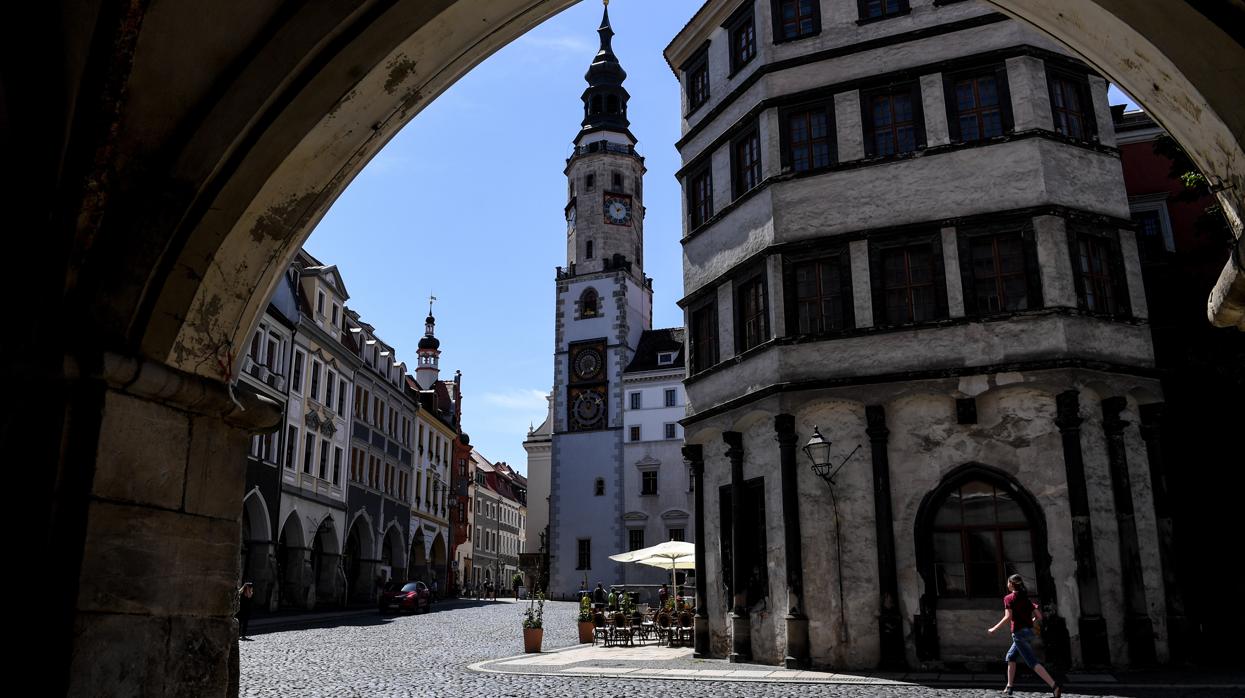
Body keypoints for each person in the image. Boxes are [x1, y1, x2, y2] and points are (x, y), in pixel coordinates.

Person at [988, 574, 1063, 697]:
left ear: (1011, 584)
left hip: (1018, 634)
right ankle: (1009, 686)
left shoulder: (1008, 598)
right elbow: (1039, 617)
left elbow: (1008, 617)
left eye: (1008, 582)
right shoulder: (1025, 598)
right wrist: (1030, 621)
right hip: (1028, 632)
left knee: (1032, 662)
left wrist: (994, 629)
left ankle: (1054, 686)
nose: (1007, 584)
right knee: (1011, 656)